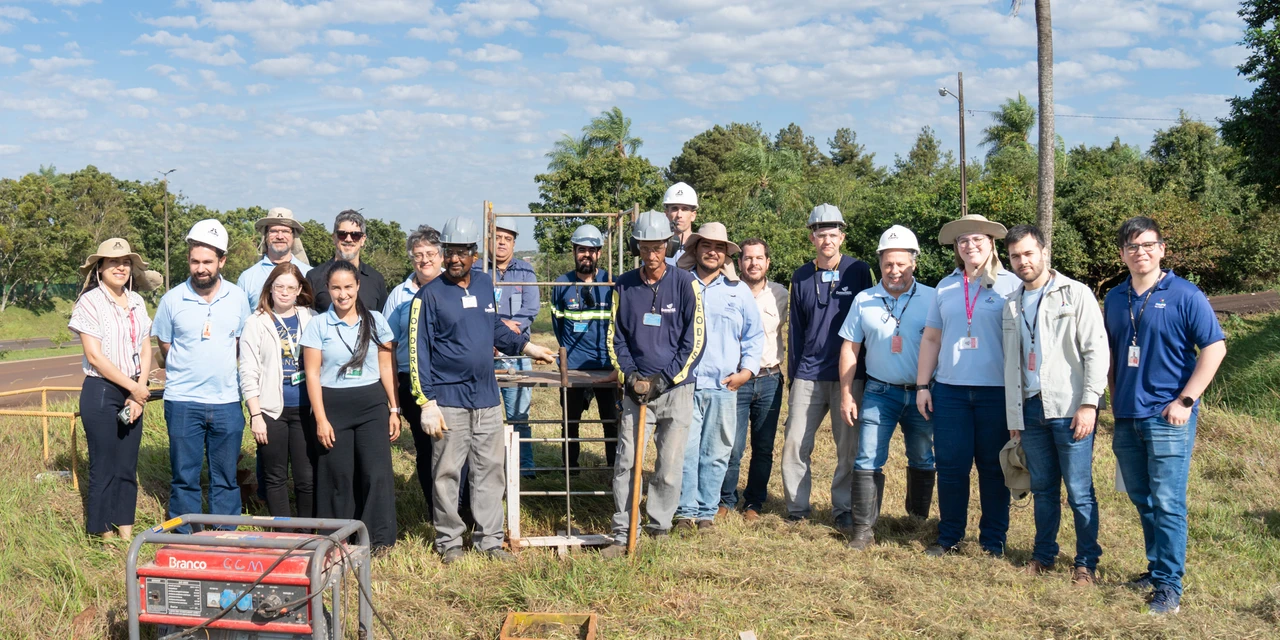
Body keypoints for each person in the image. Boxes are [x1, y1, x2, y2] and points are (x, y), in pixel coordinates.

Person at [409, 217, 556, 564]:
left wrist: (527, 347)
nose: (455, 258)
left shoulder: (483, 284)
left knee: (490, 470)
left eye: (462, 252)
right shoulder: (428, 296)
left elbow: (494, 327)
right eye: (450, 252)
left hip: (487, 398)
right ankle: (449, 542)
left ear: (475, 253)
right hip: (449, 400)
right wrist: (426, 402)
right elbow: (418, 353)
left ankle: (489, 540)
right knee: (446, 473)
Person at [1104, 216, 1226, 615]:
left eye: (1148, 245)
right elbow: (1110, 356)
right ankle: (1157, 570)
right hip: (1126, 417)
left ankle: (1170, 586)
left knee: (1169, 502)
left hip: (1168, 416)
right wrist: (1111, 399)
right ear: (1122, 253)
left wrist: (1186, 402)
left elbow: (1214, 349)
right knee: (1143, 499)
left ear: (1162, 249)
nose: (1141, 253)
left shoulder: (1185, 294)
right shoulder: (1115, 298)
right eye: (1132, 247)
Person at [1001, 224, 1108, 584]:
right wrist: (1014, 414)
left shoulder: (1075, 294)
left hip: (1069, 407)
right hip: (1031, 410)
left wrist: (1090, 403)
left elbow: (1096, 350)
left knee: (1079, 491)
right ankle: (1044, 554)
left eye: (1029, 253)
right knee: (1043, 488)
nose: (1023, 261)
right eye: (1015, 256)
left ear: (1044, 252)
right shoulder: (1011, 305)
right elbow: (1011, 364)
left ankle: (1086, 563)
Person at [600, 210, 705, 558]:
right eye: (645, 247)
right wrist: (630, 375)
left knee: (669, 463)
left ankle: (659, 525)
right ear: (637, 248)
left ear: (668, 246)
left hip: (675, 390)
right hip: (635, 390)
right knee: (627, 460)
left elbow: (695, 341)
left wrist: (666, 379)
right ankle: (623, 529)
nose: (651, 254)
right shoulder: (624, 285)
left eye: (658, 247)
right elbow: (615, 337)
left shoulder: (685, 284)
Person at [915, 214, 1020, 557]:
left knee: (993, 469)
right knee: (951, 468)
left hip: (997, 393)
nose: (970, 246)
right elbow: (931, 338)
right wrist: (922, 385)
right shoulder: (945, 286)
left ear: (991, 243)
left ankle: (993, 540)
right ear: (957, 250)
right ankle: (949, 537)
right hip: (951, 392)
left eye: (977, 240)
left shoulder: (1012, 284)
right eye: (963, 242)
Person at [837, 225, 937, 549]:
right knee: (867, 457)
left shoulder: (933, 299)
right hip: (880, 393)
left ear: (914, 263)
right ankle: (863, 530)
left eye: (901, 264)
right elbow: (850, 349)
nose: (894, 270)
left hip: (923, 394)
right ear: (879, 264)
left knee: (923, 456)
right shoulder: (864, 300)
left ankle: (917, 520)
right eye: (887, 264)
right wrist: (846, 393)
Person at [151, 219, 252, 532]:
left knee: (225, 477)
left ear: (221, 261)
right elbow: (165, 345)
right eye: (195, 261)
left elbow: (240, 344)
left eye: (208, 262)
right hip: (182, 401)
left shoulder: (237, 298)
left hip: (226, 401)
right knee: (184, 476)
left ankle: (224, 536)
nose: (201, 268)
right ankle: (185, 536)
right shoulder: (171, 300)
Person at [781, 203, 874, 529]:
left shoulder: (859, 271)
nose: (827, 241)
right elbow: (795, 330)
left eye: (833, 235)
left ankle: (844, 509)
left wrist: (867, 373)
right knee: (795, 443)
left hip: (849, 376)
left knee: (848, 447)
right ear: (812, 238)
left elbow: (870, 323)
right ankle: (796, 509)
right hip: (808, 373)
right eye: (821, 235)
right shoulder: (801, 277)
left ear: (842, 237)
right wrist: (793, 377)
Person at [300, 260, 400, 551]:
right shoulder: (318, 324)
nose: (343, 294)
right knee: (338, 475)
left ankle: (378, 539)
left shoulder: (377, 321)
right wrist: (320, 418)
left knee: (375, 472)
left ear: (357, 286)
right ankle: (338, 538)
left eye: (348, 287)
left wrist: (394, 409)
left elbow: (386, 368)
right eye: (336, 288)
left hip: (371, 405)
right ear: (327, 290)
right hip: (333, 406)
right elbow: (313, 374)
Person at [673, 223, 762, 531]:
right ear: (695, 249)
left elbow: (754, 335)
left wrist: (746, 372)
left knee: (717, 452)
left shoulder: (738, 292)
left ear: (726, 255)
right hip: (686, 384)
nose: (712, 251)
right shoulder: (681, 284)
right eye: (706, 246)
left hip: (724, 386)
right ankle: (685, 511)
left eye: (719, 247)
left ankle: (707, 513)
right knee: (685, 450)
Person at [69, 238, 155, 540]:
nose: (121, 267)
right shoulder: (90, 302)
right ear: (100, 268)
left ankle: (127, 533)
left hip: (134, 390)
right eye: (113, 262)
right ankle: (102, 535)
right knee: (103, 465)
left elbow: (146, 349)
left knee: (127, 465)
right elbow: (95, 356)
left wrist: (139, 390)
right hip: (102, 390)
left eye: (126, 262)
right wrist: (133, 387)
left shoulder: (137, 302)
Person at [239, 263, 318, 519]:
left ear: (299, 291)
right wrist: (256, 415)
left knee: (306, 477)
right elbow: (248, 371)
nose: (284, 292)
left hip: (306, 407)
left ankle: (307, 533)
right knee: (275, 477)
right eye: (279, 286)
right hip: (271, 410)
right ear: (270, 289)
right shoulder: (256, 322)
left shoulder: (311, 318)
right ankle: (283, 533)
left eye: (291, 287)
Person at [719, 238, 788, 523]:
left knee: (763, 446)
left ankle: (755, 503)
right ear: (739, 262)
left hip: (770, 378)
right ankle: (725, 500)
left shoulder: (781, 294)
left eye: (759, 258)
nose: (753, 263)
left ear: (768, 262)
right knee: (731, 446)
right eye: (748, 258)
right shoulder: (728, 292)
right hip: (736, 379)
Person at [384, 224, 449, 513]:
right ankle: (435, 509)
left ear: (442, 256)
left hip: (448, 380)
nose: (424, 260)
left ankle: (462, 508)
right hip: (411, 382)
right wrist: (393, 402)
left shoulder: (455, 288)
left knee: (454, 447)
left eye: (431, 253)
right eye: (418, 255)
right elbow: (387, 345)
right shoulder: (399, 295)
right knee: (427, 447)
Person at [550, 223, 618, 470]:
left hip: (607, 367)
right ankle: (571, 469)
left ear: (599, 252)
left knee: (612, 420)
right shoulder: (561, 284)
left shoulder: (612, 284)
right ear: (574, 251)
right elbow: (558, 326)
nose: (586, 255)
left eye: (591, 250)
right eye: (581, 249)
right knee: (570, 421)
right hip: (574, 367)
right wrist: (570, 355)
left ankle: (613, 467)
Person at [490, 216, 540, 478]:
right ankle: (492, 466)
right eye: (497, 237)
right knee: (486, 417)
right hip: (487, 353)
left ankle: (525, 467)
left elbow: (531, 307)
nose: (501, 243)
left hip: (517, 353)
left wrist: (510, 329)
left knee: (519, 414)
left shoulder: (526, 271)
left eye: (507, 239)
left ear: (514, 243)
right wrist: (495, 330)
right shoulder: (477, 270)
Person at [307, 209, 388, 313]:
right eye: (342, 234)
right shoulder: (314, 277)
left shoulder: (376, 279)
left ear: (363, 239)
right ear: (334, 238)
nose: (348, 239)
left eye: (355, 235)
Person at [236, 207, 312, 304]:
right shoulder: (247, 278)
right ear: (266, 236)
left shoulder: (309, 274)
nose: (280, 237)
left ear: (293, 237)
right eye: (274, 231)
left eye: (285, 231)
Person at [663, 182, 698, 265]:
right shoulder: (656, 248)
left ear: (693, 215)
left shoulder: (701, 249)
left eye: (685, 209)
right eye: (675, 209)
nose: (679, 215)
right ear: (666, 213)